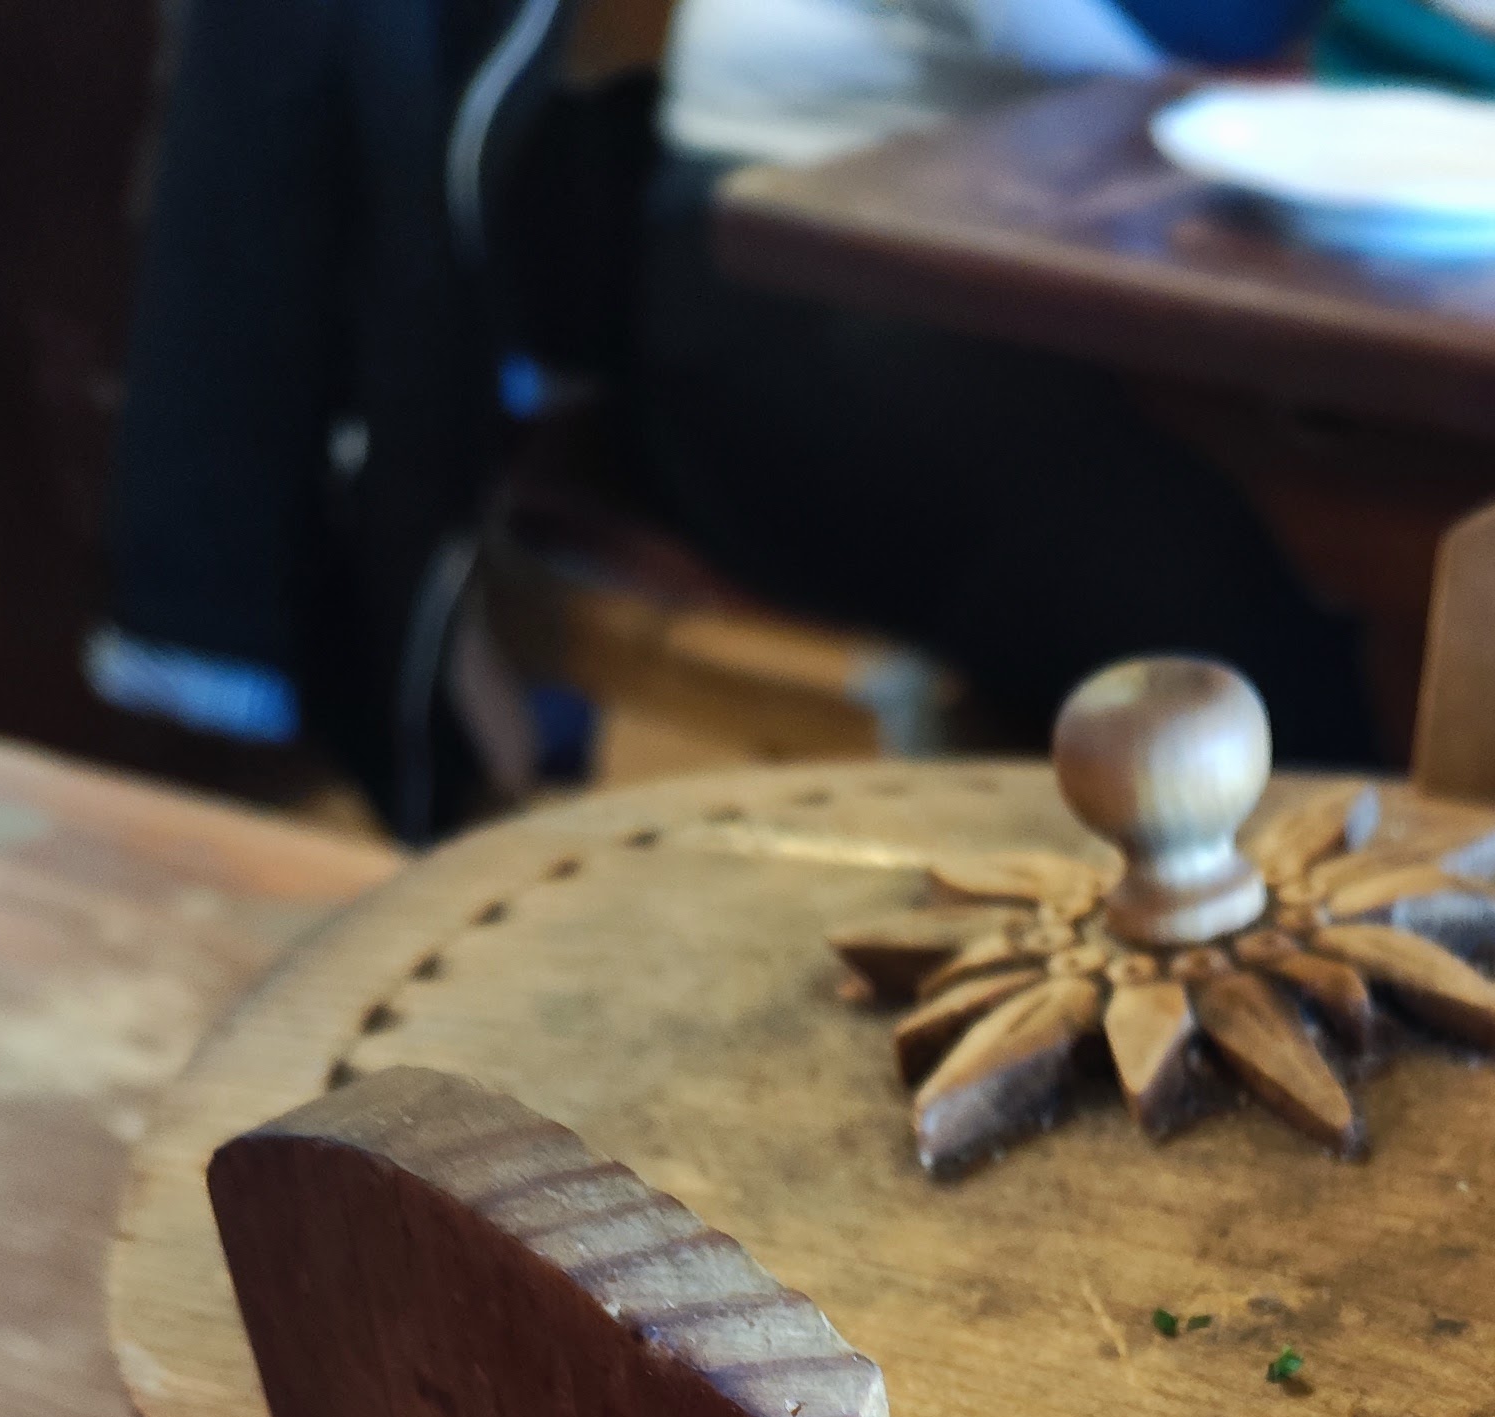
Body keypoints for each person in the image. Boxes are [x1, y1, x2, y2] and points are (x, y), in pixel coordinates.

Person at [90, 0, 1372, 841]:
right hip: (779, 267)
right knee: (1203, 605)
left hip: (1087, 252)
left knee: (1361, 517)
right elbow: (1165, 26)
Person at [628, 0, 1378, 760]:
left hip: (1029, 259)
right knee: (1178, 583)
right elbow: (1190, 36)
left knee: (1334, 504)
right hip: (776, 265)